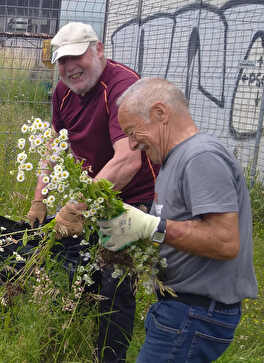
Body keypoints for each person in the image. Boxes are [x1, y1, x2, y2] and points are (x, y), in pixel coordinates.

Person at [94, 78, 258, 362]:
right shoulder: (175, 160)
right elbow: (179, 229)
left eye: (133, 132)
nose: (132, 144)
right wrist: (132, 238)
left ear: (160, 113)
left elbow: (225, 241)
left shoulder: (200, 157)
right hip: (184, 311)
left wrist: (150, 226)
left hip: (195, 314)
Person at [25, 22, 158, 362]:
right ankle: (71, 332)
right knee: (78, 264)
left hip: (130, 196)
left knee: (116, 284)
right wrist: (39, 197)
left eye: (77, 56)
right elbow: (54, 144)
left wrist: (75, 207)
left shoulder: (123, 87)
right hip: (89, 189)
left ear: (98, 50)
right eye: (61, 60)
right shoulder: (62, 92)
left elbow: (128, 162)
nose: (69, 67)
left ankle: (108, 356)